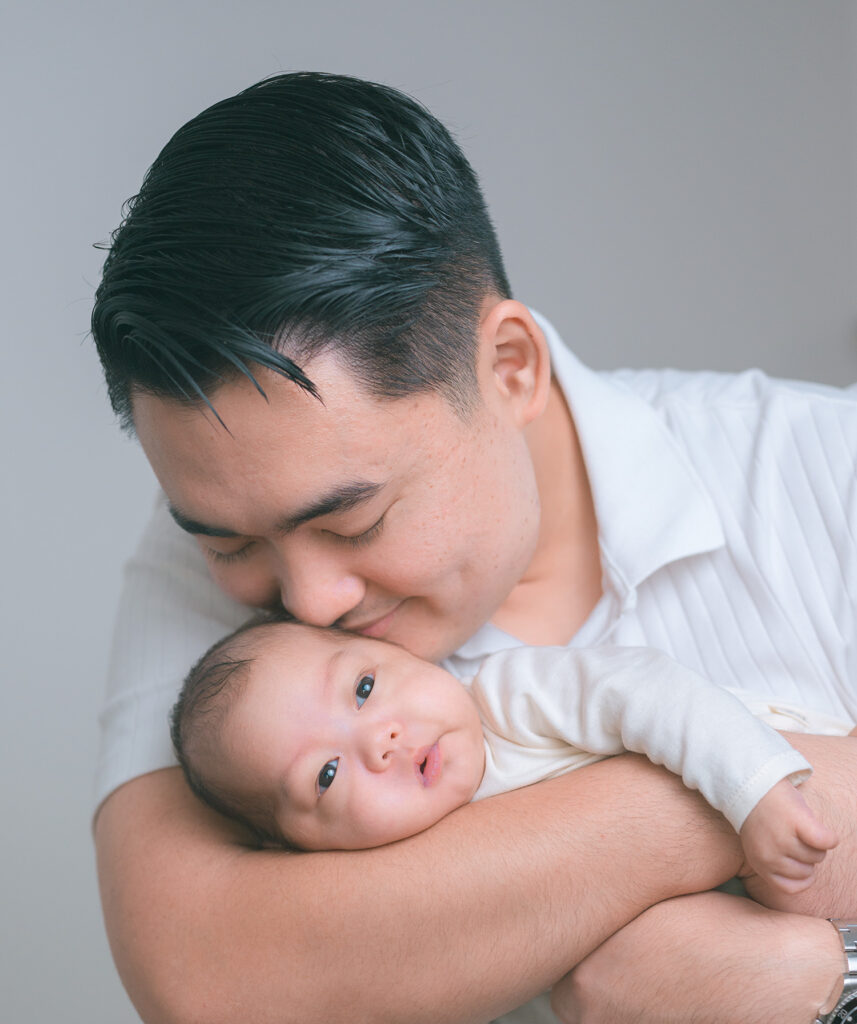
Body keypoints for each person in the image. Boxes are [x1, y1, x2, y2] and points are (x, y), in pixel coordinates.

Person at [90, 72, 857, 1024]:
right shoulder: (226, 525)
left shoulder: (826, 472)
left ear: (509, 368)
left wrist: (830, 984)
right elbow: (214, 980)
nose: (310, 601)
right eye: (232, 545)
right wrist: (709, 791)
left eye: (354, 523)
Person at [171, 617, 848, 894]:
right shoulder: (402, 889)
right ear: (298, 851)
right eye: (324, 774)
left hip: (785, 780)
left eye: (365, 688)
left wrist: (755, 791)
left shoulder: (505, 699)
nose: (380, 739)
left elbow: (646, 691)